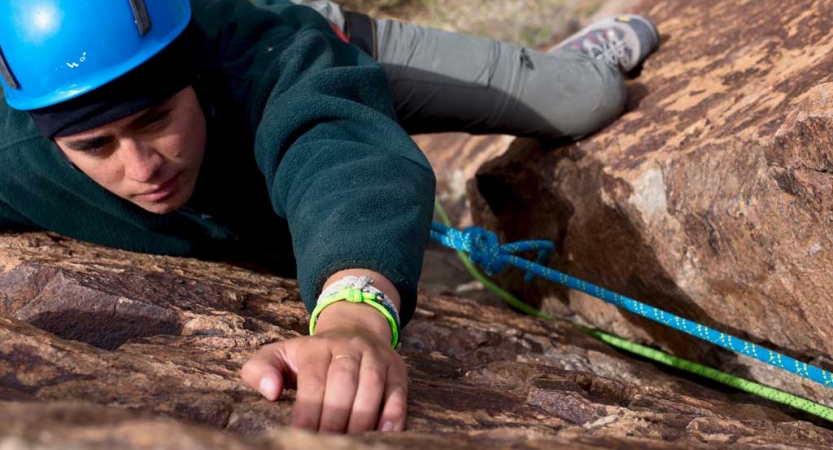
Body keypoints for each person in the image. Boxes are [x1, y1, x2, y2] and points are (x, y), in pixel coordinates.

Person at [0, 0, 658, 434]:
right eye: (95, 146)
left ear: (190, 75)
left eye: (155, 118)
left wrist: (354, 318)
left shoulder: (255, 57)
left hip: (317, 55)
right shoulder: (14, 155)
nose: (140, 165)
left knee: (583, 98)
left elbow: (338, 156)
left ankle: (552, 59)